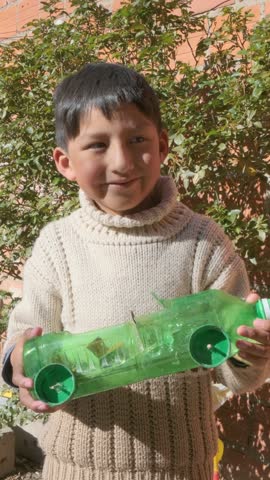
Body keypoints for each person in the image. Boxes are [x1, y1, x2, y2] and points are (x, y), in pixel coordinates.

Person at [1, 62, 270, 480]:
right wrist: (19, 362)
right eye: (97, 145)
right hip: (76, 467)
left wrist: (249, 353)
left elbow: (234, 371)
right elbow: (24, 336)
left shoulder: (202, 242)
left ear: (162, 146)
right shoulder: (59, 245)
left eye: (137, 139)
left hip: (181, 467)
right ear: (64, 162)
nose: (122, 161)